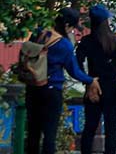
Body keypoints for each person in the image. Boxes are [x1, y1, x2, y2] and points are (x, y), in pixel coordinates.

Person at [24, 8, 99, 154]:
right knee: (49, 134)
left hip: (33, 87)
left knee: (33, 132)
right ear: (67, 25)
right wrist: (91, 80)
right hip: (52, 91)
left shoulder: (39, 34)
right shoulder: (63, 44)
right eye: (72, 27)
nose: (72, 30)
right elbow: (74, 71)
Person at [75, 5, 116, 154]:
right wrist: (113, 74)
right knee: (111, 130)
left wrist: (88, 80)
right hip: (112, 88)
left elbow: (77, 64)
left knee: (90, 128)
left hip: (93, 86)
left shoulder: (86, 41)